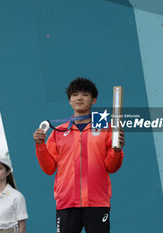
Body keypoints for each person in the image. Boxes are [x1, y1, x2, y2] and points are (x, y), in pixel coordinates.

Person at [33, 77, 125, 233]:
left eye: (85, 94)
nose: (79, 98)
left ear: (94, 100)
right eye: (75, 95)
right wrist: (40, 145)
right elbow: (49, 168)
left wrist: (117, 150)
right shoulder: (59, 131)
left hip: (97, 202)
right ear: (70, 100)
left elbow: (112, 167)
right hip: (67, 202)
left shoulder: (105, 128)